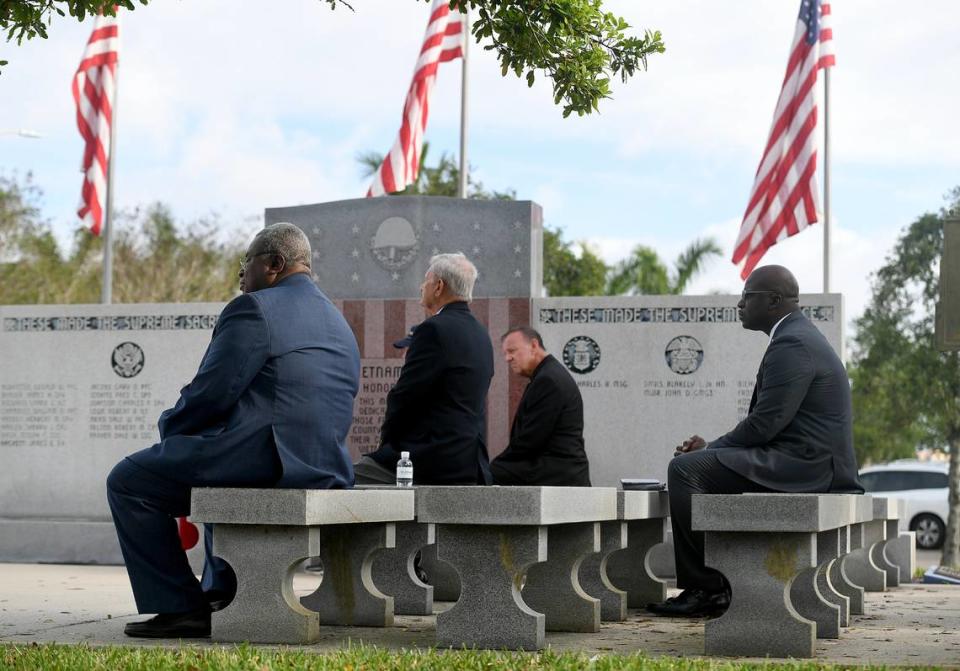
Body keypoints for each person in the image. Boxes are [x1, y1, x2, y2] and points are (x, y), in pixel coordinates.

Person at [106, 223, 360, 638]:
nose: (241, 276)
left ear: (274, 264)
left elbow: (211, 393)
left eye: (246, 263)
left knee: (129, 480)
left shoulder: (255, 308)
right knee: (210, 466)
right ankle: (222, 591)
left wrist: (170, 431)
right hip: (326, 466)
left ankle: (179, 607)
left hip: (269, 460)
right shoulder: (339, 323)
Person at [647, 265, 863, 618]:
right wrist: (714, 447)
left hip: (807, 466)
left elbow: (764, 425)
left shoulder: (792, 343)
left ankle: (707, 588)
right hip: (804, 459)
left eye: (748, 296)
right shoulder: (797, 336)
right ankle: (721, 577)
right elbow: (770, 425)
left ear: (774, 301)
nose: (740, 304)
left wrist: (712, 448)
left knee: (686, 471)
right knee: (697, 465)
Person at [354, 253, 494, 485]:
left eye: (426, 280)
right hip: (470, 459)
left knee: (346, 481)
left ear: (439, 286)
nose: (422, 286)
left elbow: (405, 396)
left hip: (431, 458)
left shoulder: (433, 330)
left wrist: (387, 446)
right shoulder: (481, 334)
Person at [490, 327, 590, 486]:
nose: (508, 358)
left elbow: (530, 440)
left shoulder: (548, 380)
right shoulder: (547, 375)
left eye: (512, 351)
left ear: (534, 345)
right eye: (505, 353)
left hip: (557, 472)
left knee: (485, 475)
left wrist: (491, 467)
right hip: (556, 467)